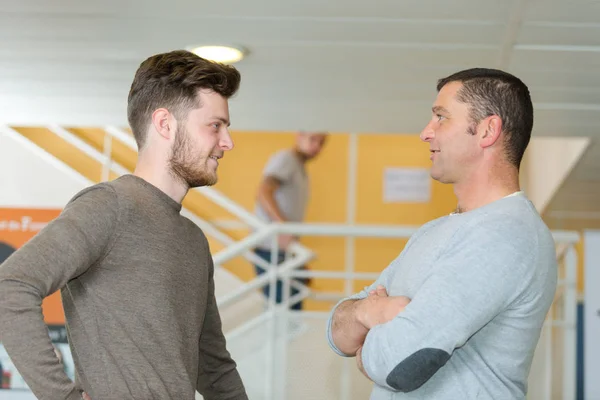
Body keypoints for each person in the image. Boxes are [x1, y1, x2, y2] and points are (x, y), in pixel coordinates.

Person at [0, 50, 248, 400]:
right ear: (165, 124)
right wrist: (63, 396)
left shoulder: (193, 241)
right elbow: (11, 286)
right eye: (215, 125)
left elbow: (213, 366)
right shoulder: (109, 206)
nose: (227, 142)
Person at [326, 68, 558, 399]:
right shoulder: (434, 231)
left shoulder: (507, 234)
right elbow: (337, 334)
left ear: (487, 130)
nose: (425, 132)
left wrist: (371, 336)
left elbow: (398, 363)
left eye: (441, 118)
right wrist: (370, 311)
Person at [253, 131, 328, 310]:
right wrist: (283, 228)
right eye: (313, 139)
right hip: (272, 249)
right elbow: (263, 192)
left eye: (321, 142)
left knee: (291, 312)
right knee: (283, 313)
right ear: (299, 136)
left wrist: (299, 258)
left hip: (285, 250)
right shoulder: (286, 159)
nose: (317, 147)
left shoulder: (298, 166)